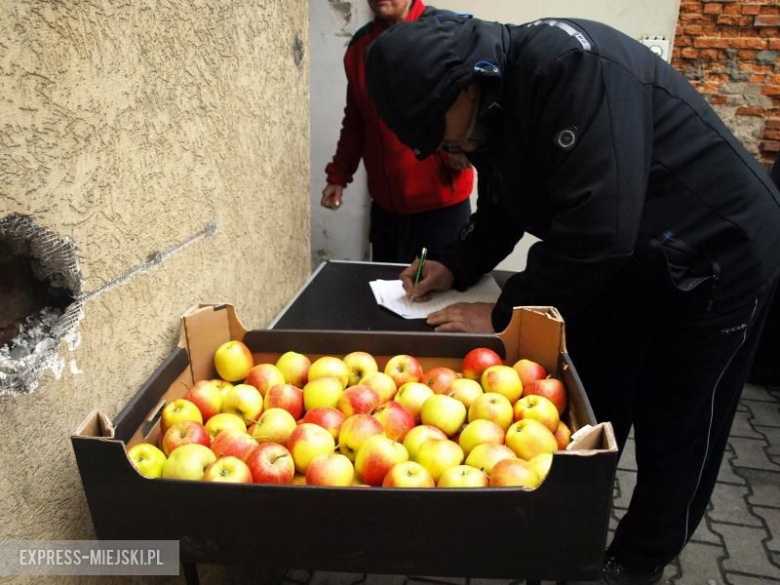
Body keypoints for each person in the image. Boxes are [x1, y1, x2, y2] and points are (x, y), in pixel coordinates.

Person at [365, 13, 780, 585]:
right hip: (632, 256)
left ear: (463, 85)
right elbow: (506, 203)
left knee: (676, 417)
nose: (443, 148)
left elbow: (598, 232)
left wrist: (505, 313)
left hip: (718, 252)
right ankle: (575, 524)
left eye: (436, 132)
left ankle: (637, 559)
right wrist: (456, 262)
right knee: (599, 391)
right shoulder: (489, 105)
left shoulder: (571, 70)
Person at [321, 0, 474, 263]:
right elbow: (356, 119)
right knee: (388, 297)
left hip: (442, 209)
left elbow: (476, 104)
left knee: (445, 297)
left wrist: (466, 150)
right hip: (387, 210)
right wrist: (338, 176)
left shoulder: (448, 31)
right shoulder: (360, 47)